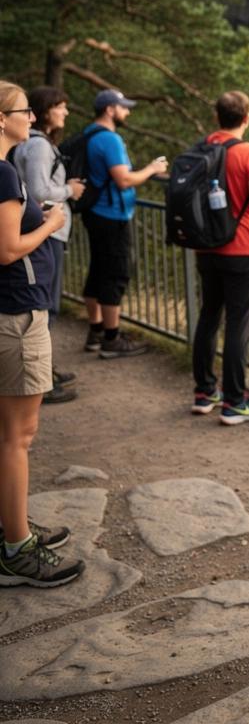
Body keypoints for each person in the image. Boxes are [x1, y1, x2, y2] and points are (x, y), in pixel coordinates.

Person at [0, 80, 85, 587]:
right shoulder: (4, 175)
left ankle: (12, 526)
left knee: (9, 434)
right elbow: (8, 250)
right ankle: (16, 549)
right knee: (19, 437)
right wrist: (51, 223)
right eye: (22, 110)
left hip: (8, 311)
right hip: (16, 313)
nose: (31, 117)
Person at [191, 90, 249, 425]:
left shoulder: (202, 148)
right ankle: (234, 402)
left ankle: (204, 393)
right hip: (243, 249)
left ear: (217, 117)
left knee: (209, 317)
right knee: (238, 326)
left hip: (207, 247)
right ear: (247, 117)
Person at [80, 88, 167, 357]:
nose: (127, 112)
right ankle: (111, 339)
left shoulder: (88, 133)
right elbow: (124, 179)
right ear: (110, 110)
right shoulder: (109, 139)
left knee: (98, 270)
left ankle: (95, 330)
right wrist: (152, 169)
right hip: (112, 216)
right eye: (123, 107)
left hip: (95, 211)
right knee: (116, 274)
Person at [13, 86, 85, 402]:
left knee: (46, 305)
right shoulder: (40, 147)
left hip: (45, 231)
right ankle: (42, 382)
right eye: (61, 107)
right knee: (47, 306)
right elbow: (39, 191)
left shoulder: (32, 144)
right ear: (46, 111)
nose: (65, 112)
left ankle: (46, 372)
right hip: (48, 231)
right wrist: (69, 190)